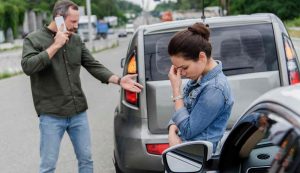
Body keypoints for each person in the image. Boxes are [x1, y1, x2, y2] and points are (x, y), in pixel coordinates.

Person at [21, 0, 143, 172]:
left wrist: (119, 80)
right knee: (48, 166)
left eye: (78, 21)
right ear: (59, 19)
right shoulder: (33, 39)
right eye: (73, 22)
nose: (77, 26)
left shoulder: (76, 40)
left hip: (78, 113)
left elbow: (93, 65)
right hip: (51, 115)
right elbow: (28, 66)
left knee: (86, 160)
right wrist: (56, 45)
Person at [167, 22, 234, 152]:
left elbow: (187, 130)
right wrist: (172, 130)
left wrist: (176, 91)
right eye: (177, 70)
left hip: (198, 159)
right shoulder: (200, 76)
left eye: (184, 68)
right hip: (186, 153)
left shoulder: (215, 89)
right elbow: (183, 110)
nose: (182, 74)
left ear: (202, 57)